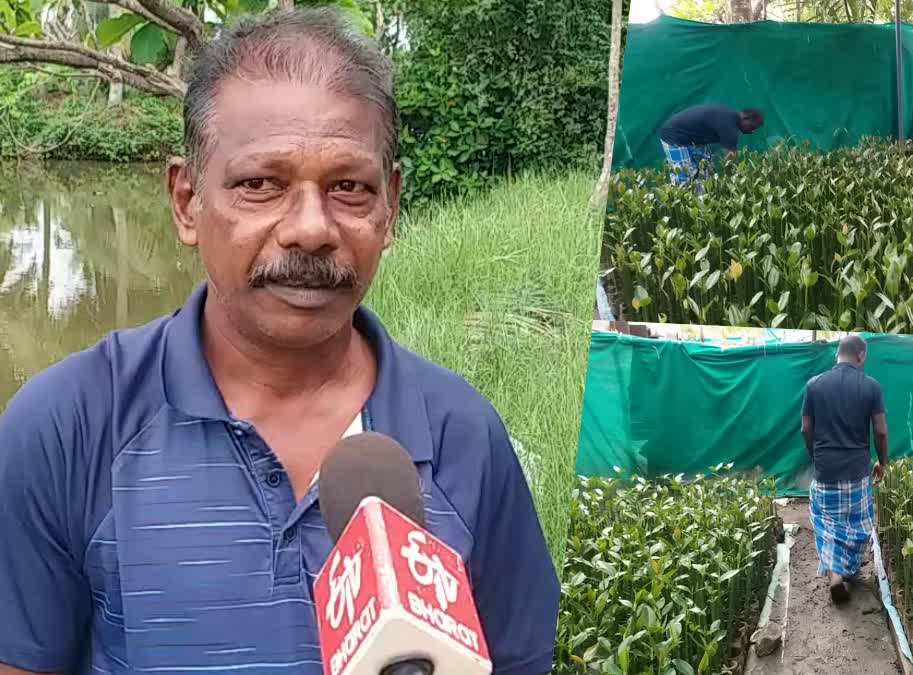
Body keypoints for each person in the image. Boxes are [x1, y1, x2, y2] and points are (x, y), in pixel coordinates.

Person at [0, 9, 557, 675]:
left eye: (348, 187)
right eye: (260, 184)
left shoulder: (467, 437)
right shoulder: (66, 426)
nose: (311, 228)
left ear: (391, 206)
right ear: (186, 200)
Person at [801, 335, 888, 606]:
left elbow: (805, 428)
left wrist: (816, 456)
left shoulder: (814, 385)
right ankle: (847, 569)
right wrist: (882, 462)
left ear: (837, 354)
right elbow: (881, 431)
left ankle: (835, 574)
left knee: (826, 525)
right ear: (861, 355)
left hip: (826, 470)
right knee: (856, 525)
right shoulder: (871, 386)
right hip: (857, 471)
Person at [658, 104, 764, 185]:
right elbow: (729, 160)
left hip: (691, 139)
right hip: (673, 136)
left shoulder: (730, 117)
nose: (751, 132)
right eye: (752, 127)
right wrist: (734, 182)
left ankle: (701, 203)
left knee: (706, 171)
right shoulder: (729, 126)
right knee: (684, 178)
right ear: (745, 118)